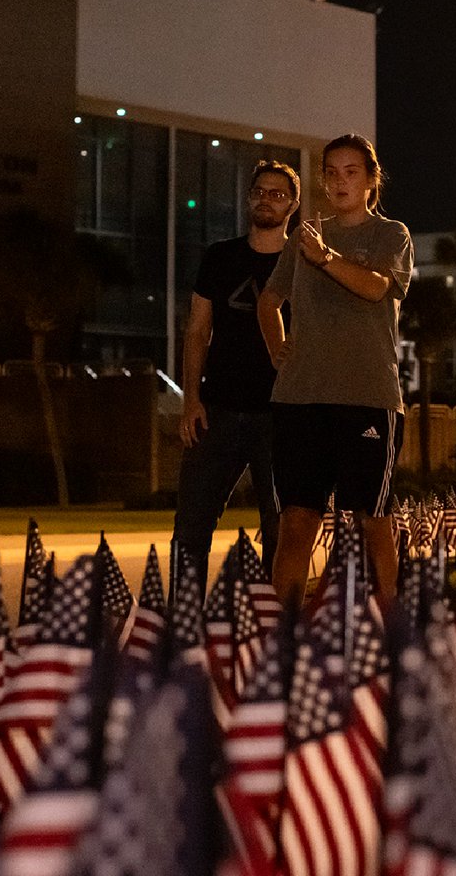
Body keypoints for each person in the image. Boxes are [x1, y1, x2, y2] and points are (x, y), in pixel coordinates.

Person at [257, 133, 413, 607]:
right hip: (299, 400)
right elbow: (269, 300)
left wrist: (325, 257)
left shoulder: (391, 234)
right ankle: (282, 640)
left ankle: (393, 637)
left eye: (351, 172)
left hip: (368, 397)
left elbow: (374, 288)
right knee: (297, 521)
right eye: (331, 172)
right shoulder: (304, 234)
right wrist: (277, 347)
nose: (340, 181)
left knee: (373, 520)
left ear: (370, 179)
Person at [170, 159, 300, 598]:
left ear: (293, 205)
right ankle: (182, 621)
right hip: (218, 409)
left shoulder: (304, 264)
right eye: (260, 191)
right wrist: (191, 400)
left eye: (278, 194)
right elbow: (196, 330)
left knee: (280, 529)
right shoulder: (220, 257)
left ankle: (272, 629)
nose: (267, 199)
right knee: (191, 527)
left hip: (281, 416)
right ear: (248, 199)